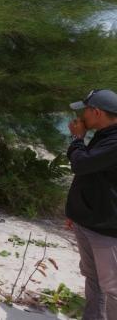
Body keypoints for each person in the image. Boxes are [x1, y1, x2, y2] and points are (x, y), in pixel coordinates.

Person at [66, 89, 117, 319]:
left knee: (112, 287)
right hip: (88, 220)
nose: (82, 115)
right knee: (92, 277)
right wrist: (75, 212)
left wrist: (77, 139)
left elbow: (81, 165)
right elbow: (89, 177)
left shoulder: (113, 141)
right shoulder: (103, 134)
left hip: (106, 228)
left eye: (85, 110)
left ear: (96, 112)